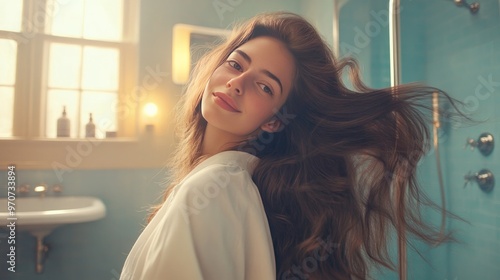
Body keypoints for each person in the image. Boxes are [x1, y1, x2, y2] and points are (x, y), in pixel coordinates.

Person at [121, 12, 463, 280]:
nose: (238, 82)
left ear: (273, 121)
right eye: (236, 64)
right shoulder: (224, 184)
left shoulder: (214, 188)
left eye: (266, 87)